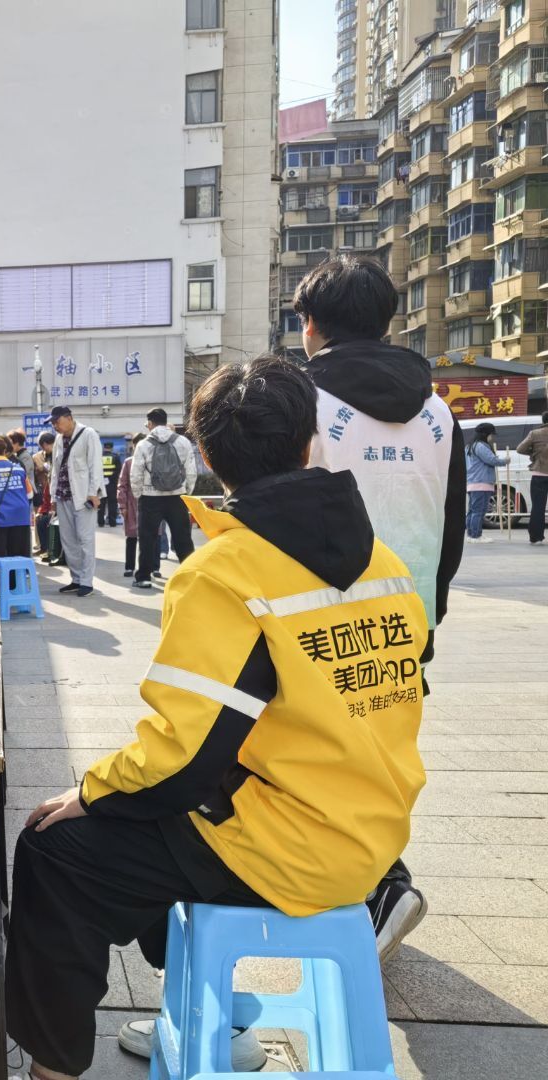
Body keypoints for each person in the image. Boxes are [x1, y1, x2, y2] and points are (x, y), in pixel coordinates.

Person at [7, 356, 428, 1080]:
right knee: (157, 823)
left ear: (206, 454)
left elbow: (184, 761)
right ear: (309, 443)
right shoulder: (384, 562)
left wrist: (91, 792)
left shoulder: (224, 572)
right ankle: (216, 1016)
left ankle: (53, 1069)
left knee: (56, 849)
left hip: (285, 847)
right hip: (374, 836)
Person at [295, 254, 461, 957]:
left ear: (310, 324)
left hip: (320, 612)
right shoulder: (438, 411)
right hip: (408, 612)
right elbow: (450, 523)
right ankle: (375, 884)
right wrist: (430, 614)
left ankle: (380, 884)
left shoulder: (301, 400)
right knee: (382, 747)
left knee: (318, 749)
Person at [130, 407, 197, 590]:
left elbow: (135, 473)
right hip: (177, 496)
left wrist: (138, 494)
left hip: (150, 497)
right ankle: (191, 577)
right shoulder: (182, 441)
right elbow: (191, 470)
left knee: (147, 538)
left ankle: (144, 577)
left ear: (150, 423)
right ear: (166, 421)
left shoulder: (143, 444)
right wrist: (186, 491)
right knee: (183, 538)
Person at [49, 405, 105, 597]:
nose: (55, 426)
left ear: (69, 418)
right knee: (68, 540)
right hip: (63, 495)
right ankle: (76, 579)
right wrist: (53, 496)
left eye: (57, 421)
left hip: (83, 497)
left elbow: (95, 466)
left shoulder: (88, 434)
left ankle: (87, 582)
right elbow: (55, 470)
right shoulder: (58, 439)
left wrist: (93, 492)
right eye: (53, 423)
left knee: (85, 539)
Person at [465, 423, 509, 544]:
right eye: (491, 434)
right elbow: (491, 460)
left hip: (472, 482)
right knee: (479, 511)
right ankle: (476, 536)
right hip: (482, 482)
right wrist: (505, 461)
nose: (492, 437)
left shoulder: (469, 446)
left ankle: (471, 535)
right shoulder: (481, 446)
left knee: (473, 511)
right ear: (485, 434)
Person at [516, 411, 548, 544]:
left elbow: (519, 449)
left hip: (539, 474)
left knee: (538, 507)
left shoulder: (535, 433)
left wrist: (533, 452)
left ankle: (536, 537)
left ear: (543, 420)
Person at [119, 432, 145, 577]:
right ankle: (129, 567)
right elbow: (122, 485)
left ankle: (152, 568)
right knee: (131, 537)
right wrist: (122, 505)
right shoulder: (128, 463)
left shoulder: (151, 461)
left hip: (148, 503)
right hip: (131, 504)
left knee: (149, 538)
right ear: (133, 446)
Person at [33, 431, 58, 561]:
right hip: (49, 496)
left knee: (46, 521)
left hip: (60, 500)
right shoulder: (44, 457)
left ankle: (51, 550)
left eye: (44, 447)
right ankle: (45, 548)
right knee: (40, 519)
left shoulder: (59, 455)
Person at [8, 428, 38, 505]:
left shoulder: (25, 456)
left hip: (28, 491)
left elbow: (23, 473)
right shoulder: (17, 455)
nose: (8, 447)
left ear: (17, 443)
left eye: (10, 444)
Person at [98, 443, 122, 527]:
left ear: (104, 447)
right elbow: (119, 470)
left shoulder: (99, 456)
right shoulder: (116, 457)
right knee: (112, 503)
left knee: (101, 503)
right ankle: (112, 522)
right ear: (112, 448)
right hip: (112, 484)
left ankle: (100, 522)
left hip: (101, 484)